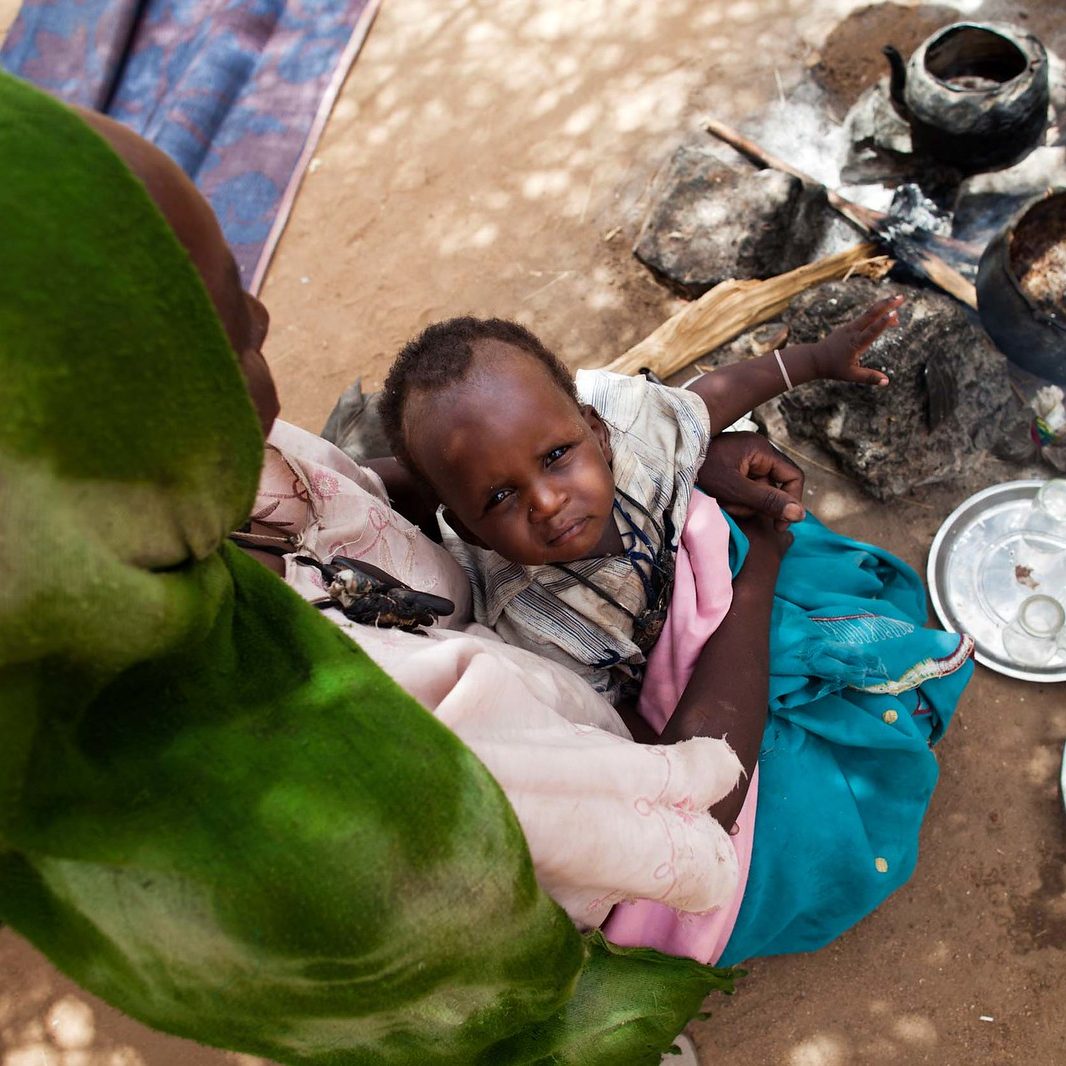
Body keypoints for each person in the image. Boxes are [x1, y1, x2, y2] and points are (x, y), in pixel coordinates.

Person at [0, 69, 820, 1066]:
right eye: (223, 316)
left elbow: (355, 493)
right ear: (148, 417)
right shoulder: (367, 764)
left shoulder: (132, 503)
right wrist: (762, 562)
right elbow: (689, 801)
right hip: (547, 907)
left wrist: (639, 467)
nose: (262, 317)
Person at [376, 315, 975, 966]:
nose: (547, 501)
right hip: (667, 667)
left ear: (596, 430)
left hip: (715, 571)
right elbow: (612, 715)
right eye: (499, 496)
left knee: (835, 598)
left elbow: (708, 401)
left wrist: (811, 360)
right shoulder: (531, 615)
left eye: (555, 457)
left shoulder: (640, 432)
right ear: (468, 528)